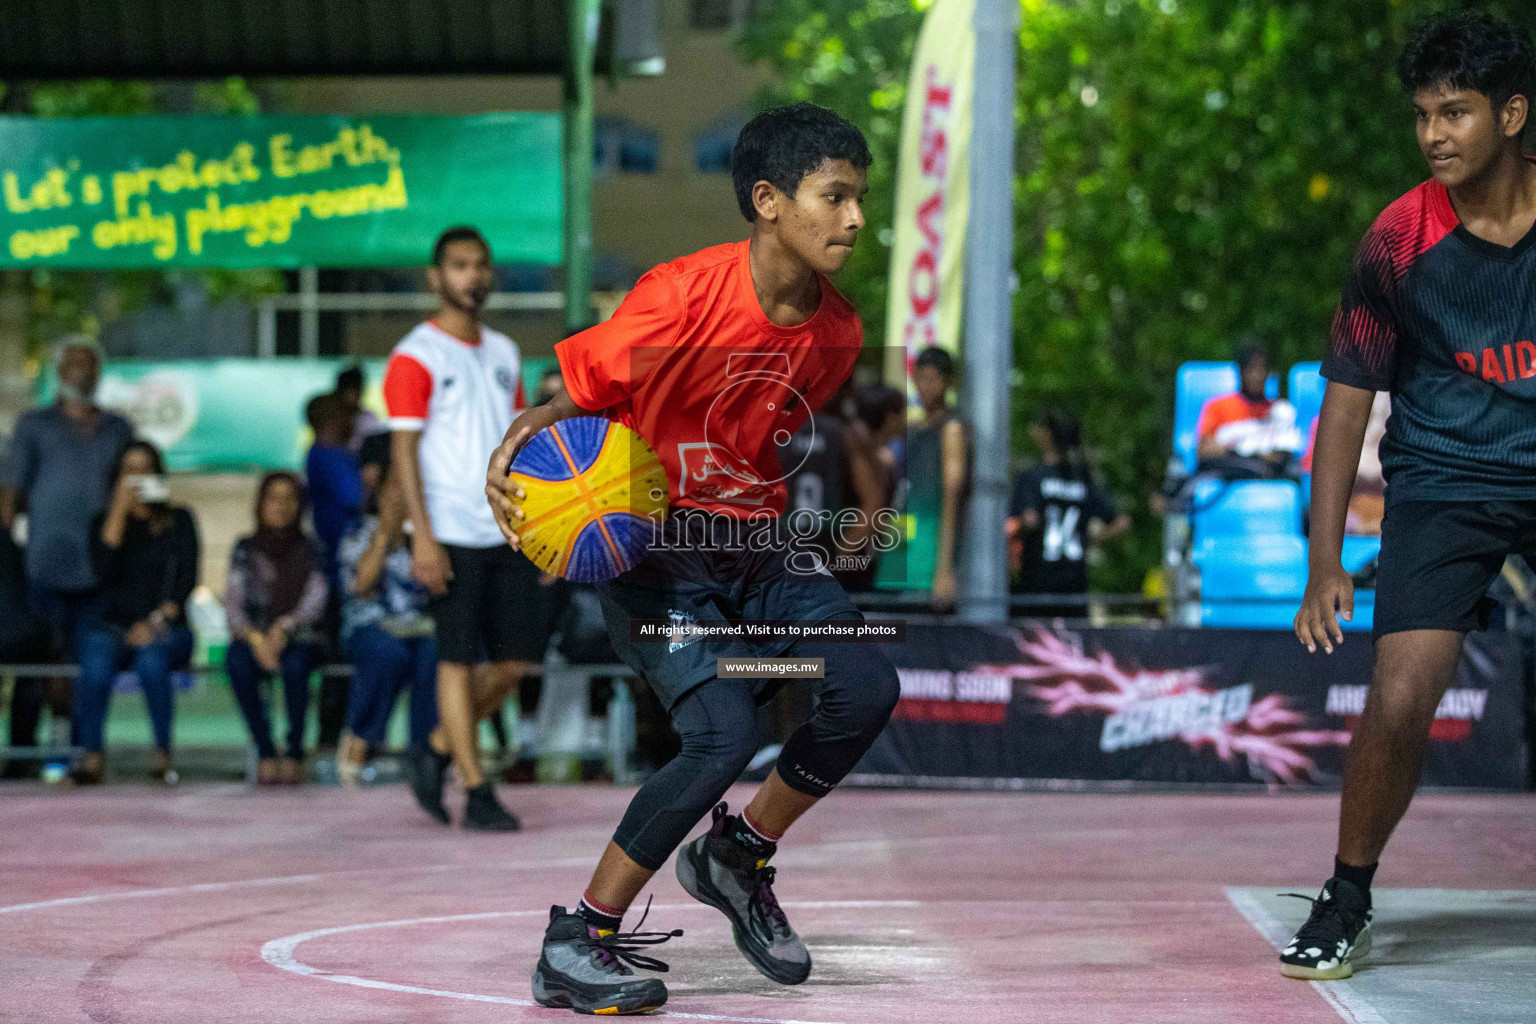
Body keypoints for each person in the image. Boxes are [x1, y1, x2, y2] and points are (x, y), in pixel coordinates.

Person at [485, 102, 899, 1016]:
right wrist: (509, 459)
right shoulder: (678, 297)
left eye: (860, 198)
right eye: (834, 197)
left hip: (758, 549)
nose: (856, 218)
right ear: (768, 201)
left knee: (866, 685)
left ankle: (736, 855)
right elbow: (567, 403)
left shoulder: (839, 333)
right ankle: (577, 938)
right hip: (659, 557)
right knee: (722, 733)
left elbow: (771, 436)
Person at [1288, 12, 1536, 982]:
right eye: (1424, 114)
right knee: (1397, 697)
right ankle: (1346, 895)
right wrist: (1321, 564)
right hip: (1445, 480)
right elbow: (1345, 413)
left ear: (1512, 114)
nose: (1435, 133)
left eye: (1458, 112)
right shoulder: (1396, 240)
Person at [384, 225, 537, 831]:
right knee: (454, 658)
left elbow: (521, 442)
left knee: (515, 661)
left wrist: (541, 525)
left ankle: (438, 746)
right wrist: (419, 535)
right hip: (446, 524)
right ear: (435, 277)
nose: (472, 276)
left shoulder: (504, 352)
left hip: (506, 527)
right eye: (459, 266)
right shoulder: (415, 355)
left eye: (481, 265)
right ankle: (474, 789)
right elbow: (402, 454)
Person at [0, 341, 134, 753]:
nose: (82, 374)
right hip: (42, 566)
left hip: (100, 571)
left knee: (90, 665)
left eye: (90, 366)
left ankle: (83, 751)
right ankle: (24, 751)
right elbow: (10, 494)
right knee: (34, 662)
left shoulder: (119, 429)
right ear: (58, 372)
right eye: (74, 365)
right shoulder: (33, 426)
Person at [71, 441, 198, 785]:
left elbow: (186, 581)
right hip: (114, 627)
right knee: (95, 662)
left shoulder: (180, 521)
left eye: (145, 470)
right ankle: (92, 756)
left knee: (151, 661)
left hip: (166, 626)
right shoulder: (104, 523)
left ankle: (162, 756)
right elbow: (102, 576)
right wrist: (118, 511)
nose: (137, 479)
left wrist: (155, 622)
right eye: (130, 471)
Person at [336, 451, 438, 786]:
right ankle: (361, 739)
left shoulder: (428, 534)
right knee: (388, 654)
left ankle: (425, 753)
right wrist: (384, 535)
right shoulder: (358, 531)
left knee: (437, 654)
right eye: (394, 491)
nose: (401, 498)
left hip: (419, 628)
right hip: (369, 626)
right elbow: (360, 587)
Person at [224, 472, 328, 786]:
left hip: (301, 636)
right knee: (237, 662)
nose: (281, 506)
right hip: (253, 638)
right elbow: (233, 603)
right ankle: (265, 749)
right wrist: (258, 639)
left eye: (289, 498)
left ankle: (294, 750)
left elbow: (316, 600)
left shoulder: (311, 548)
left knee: (296, 666)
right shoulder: (245, 548)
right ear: (260, 504)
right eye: (273, 498)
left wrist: (283, 628)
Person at [1007, 408, 1130, 617]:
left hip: (1036, 581)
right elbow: (1121, 522)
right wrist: (1090, 540)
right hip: (1074, 582)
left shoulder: (1031, 478)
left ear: (1047, 434)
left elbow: (1028, 522)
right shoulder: (1083, 479)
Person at [906, 346, 971, 609]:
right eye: (920, 378)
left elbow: (951, 497)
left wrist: (944, 569)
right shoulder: (912, 429)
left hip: (929, 560)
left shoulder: (952, 429)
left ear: (948, 382)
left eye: (933, 379)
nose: (925, 386)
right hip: (901, 551)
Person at [1194, 339, 1303, 476]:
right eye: (1252, 369)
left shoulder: (1280, 411)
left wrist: (1231, 446)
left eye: (1263, 369)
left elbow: (1280, 455)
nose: (1258, 376)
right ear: (1241, 371)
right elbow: (1205, 452)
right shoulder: (1218, 406)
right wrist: (1249, 452)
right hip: (1226, 475)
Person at [335, 364, 385, 454]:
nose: (354, 394)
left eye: (357, 389)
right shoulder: (331, 418)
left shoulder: (368, 418)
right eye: (350, 389)